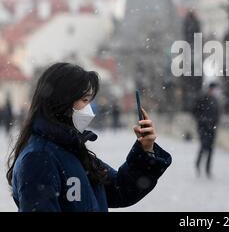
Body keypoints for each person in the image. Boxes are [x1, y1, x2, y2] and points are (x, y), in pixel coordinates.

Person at [6, 62, 172, 212]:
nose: (89, 109)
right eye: (84, 100)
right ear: (62, 102)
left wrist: (145, 150)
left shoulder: (72, 148)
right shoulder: (38, 158)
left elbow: (120, 189)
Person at [192, 82, 221, 178]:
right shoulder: (202, 98)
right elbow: (194, 111)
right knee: (204, 146)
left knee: (211, 149)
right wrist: (202, 120)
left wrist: (215, 123)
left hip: (212, 128)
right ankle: (197, 164)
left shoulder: (215, 100)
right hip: (203, 127)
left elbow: (217, 114)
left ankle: (208, 169)